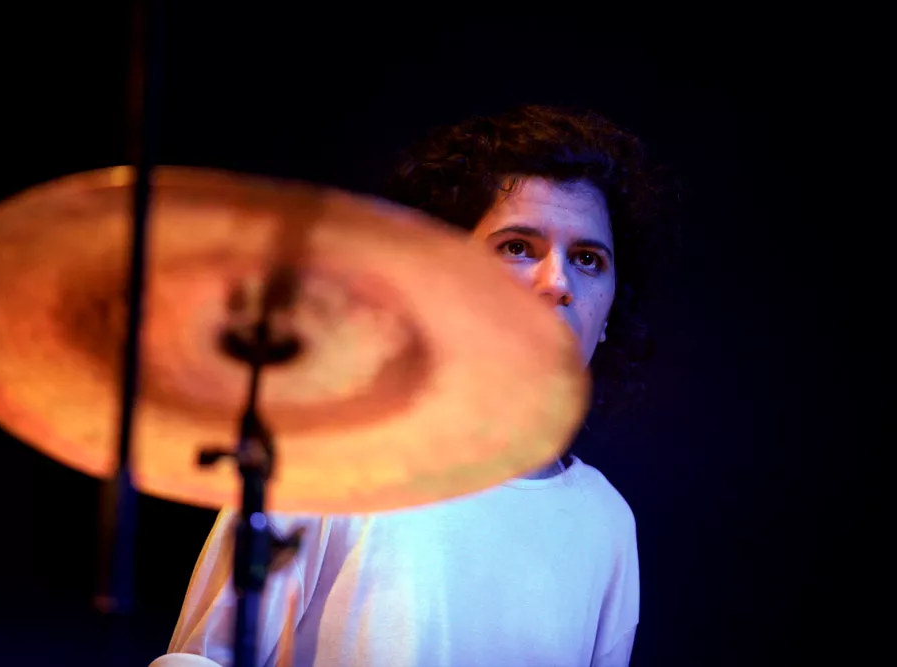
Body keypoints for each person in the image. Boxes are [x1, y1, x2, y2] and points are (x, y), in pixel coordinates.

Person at [151, 104, 660, 667]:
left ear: (609, 312)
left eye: (587, 259)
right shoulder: (329, 457)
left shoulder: (605, 523)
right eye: (518, 247)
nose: (558, 282)